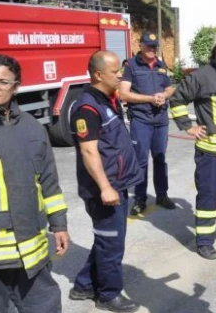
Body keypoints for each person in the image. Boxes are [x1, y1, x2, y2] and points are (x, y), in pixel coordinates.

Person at [0, 54, 69, 312]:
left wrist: (59, 224)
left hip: (32, 256)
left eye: (2, 82)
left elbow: (49, 182)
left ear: (16, 86)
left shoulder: (32, 128)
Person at [70, 51, 142, 312]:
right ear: (98, 75)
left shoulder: (107, 100)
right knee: (111, 242)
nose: (120, 75)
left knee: (106, 239)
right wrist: (105, 187)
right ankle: (109, 295)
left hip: (117, 184)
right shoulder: (87, 108)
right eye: (115, 72)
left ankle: (84, 285)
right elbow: (89, 152)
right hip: (104, 189)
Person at [169, 27, 216, 260]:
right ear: (214, 51)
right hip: (209, 151)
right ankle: (204, 241)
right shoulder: (200, 76)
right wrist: (187, 126)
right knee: (208, 196)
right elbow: (176, 99)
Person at [121, 32, 177, 216]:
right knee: (141, 161)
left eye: (155, 46)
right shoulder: (131, 65)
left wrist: (164, 95)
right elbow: (124, 94)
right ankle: (139, 199)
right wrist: (149, 99)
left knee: (160, 159)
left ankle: (162, 195)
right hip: (141, 121)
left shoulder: (161, 65)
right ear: (141, 45)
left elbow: (169, 88)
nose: (152, 49)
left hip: (160, 120)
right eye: (149, 46)